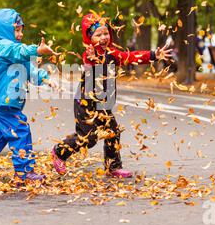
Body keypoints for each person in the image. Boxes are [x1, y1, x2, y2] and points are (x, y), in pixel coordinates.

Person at [51, 13, 173, 178]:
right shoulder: (89, 53)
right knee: (89, 138)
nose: (103, 37)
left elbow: (129, 57)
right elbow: (90, 63)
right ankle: (59, 152)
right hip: (86, 102)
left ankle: (113, 167)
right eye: (98, 34)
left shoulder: (112, 53)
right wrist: (95, 58)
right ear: (89, 38)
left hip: (103, 102)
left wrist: (153, 55)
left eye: (106, 33)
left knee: (113, 131)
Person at [0, 8, 57, 184]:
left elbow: (29, 70)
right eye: (16, 30)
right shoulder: (3, 47)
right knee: (20, 129)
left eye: (21, 30)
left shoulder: (13, 49)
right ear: (4, 29)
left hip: (10, 101)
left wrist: (44, 78)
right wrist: (37, 49)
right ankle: (24, 172)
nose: (20, 34)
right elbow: (19, 51)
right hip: (3, 102)